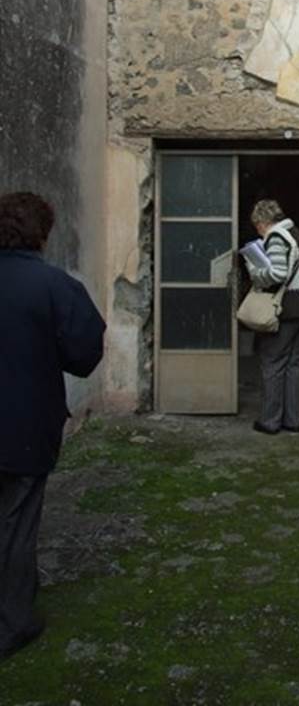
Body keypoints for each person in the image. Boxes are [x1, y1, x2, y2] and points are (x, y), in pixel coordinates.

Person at [0, 192, 106, 661]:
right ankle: (13, 622)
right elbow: (85, 354)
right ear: (42, 234)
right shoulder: (54, 286)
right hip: (24, 427)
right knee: (17, 523)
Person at [245, 199, 299, 435]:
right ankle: (292, 420)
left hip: (287, 309)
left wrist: (255, 272)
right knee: (294, 365)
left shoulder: (277, 237)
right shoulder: (297, 234)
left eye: (257, 225)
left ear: (263, 221)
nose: (258, 230)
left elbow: (277, 273)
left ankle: (270, 421)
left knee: (273, 363)